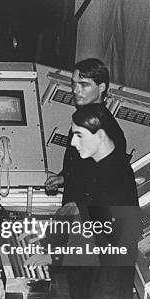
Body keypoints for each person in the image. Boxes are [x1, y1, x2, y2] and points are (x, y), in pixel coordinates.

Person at [63, 104, 142, 299]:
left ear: (99, 135)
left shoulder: (114, 178)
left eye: (79, 136)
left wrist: (52, 250)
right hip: (96, 280)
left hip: (106, 287)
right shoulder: (105, 166)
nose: (73, 143)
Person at [44, 58, 127, 204]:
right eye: (74, 84)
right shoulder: (85, 119)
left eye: (84, 85)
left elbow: (101, 181)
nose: (76, 90)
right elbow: (84, 167)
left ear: (101, 88)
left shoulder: (104, 128)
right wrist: (63, 178)